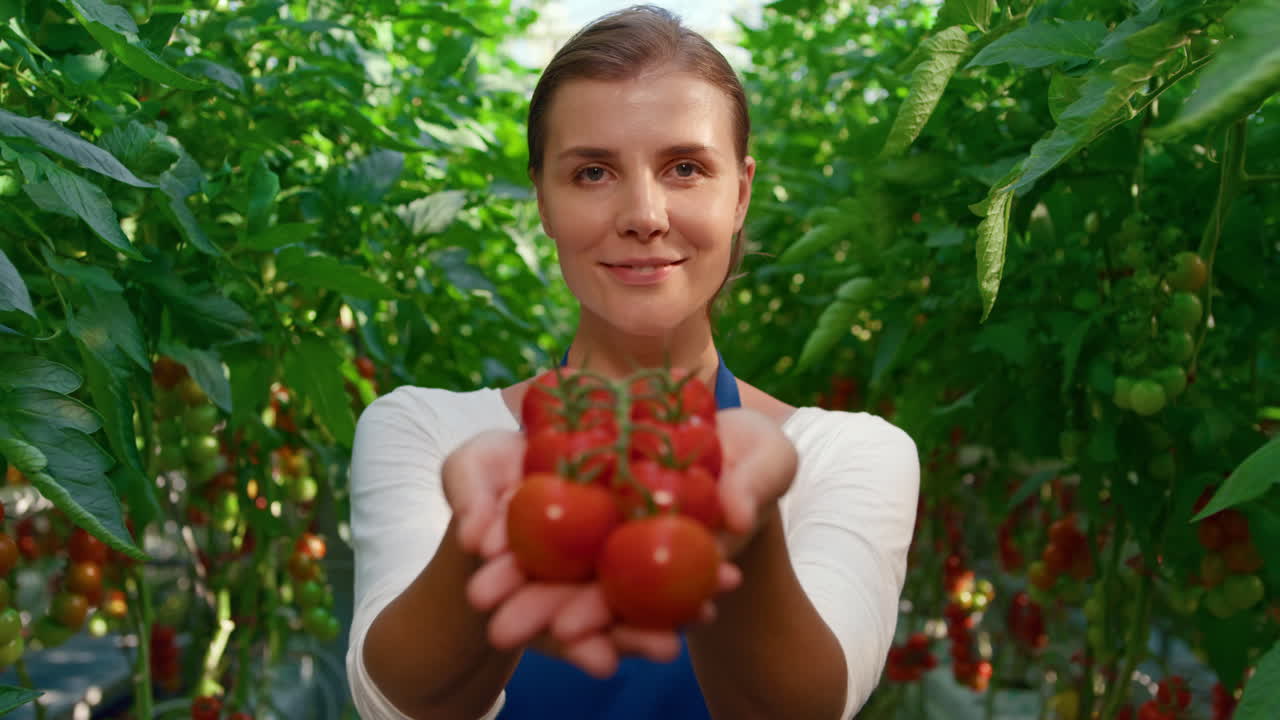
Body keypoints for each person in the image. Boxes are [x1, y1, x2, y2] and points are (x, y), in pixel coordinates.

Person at [345, 5, 920, 719]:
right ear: (543, 202)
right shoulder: (426, 432)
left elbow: (806, 708)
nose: (644, 213)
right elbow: (398, 702)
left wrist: (749, 528)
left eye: (684, 168)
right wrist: (485, 541)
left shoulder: (845, 455)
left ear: (739, 193)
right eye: (592, 172)